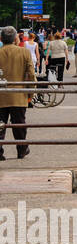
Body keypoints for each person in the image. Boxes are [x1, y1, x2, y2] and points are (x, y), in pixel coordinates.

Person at [0, 26, 36, 161]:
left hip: (1, 95)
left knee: (0, 125)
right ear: (16, 38)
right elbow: (31, 75)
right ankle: (21, 149)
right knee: (19, 124)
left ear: (1, 39)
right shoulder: (24, 53)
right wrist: (30, 93)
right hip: (19, 94)